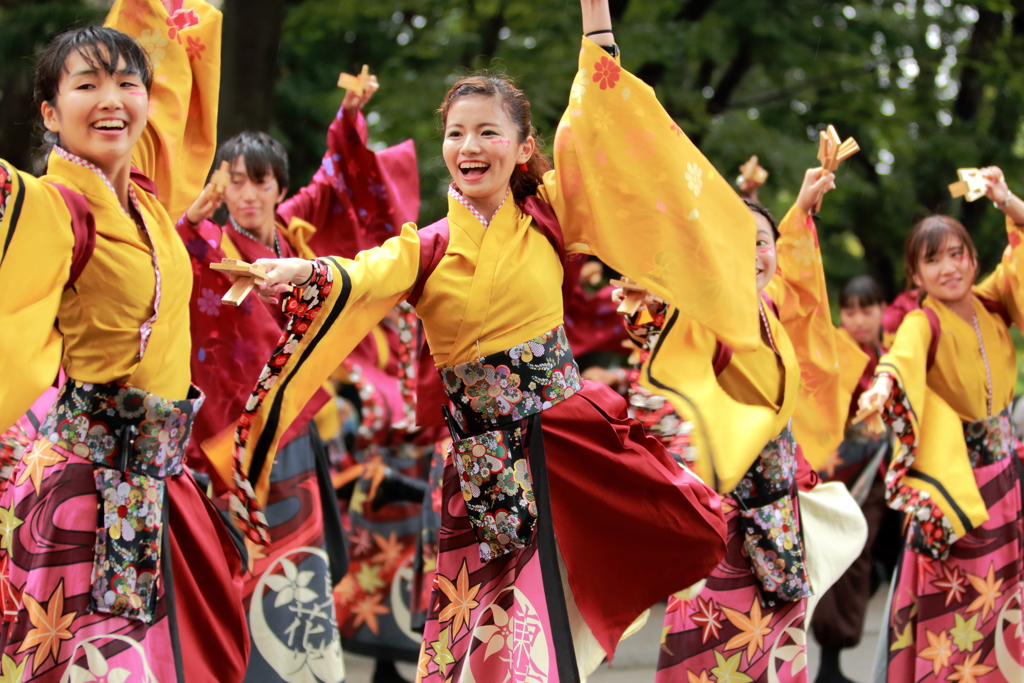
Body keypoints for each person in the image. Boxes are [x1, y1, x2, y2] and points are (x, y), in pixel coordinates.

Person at [223, 0, 769, 679]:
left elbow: (597, 119)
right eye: (456, 134)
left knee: (552, 628)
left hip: (565, 449)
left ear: (522, 146)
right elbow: (362, 274)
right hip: (480, 469)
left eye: (488, 132)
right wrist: (299, 267)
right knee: (474, 632)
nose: (470, 147)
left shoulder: (548, 212)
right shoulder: (429, 247)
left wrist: (596, 16)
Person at [0, 1, 250, 680]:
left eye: (126, 84)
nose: (111, 101)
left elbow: (172, 79)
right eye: (86, 85)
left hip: (161, 485)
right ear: (49, 113)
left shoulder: (145, 197)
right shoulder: (48, 205)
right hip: (84, 490)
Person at [178, 76, 419, 683]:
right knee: (249, 564)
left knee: (303, 566)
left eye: (260, 181)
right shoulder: (205, 245)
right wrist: (186, 230)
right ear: (219, 186)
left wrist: (346, 119)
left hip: (295, 424)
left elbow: (334, 178)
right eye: (234, 180)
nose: (248, 193)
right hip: (235, 435)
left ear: (278, 188)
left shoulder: (293, 233)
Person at [651, 168, 867, 683]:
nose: (752, 253)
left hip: (777, 514)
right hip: (721, 516)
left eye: (761, 242)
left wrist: (802, 207)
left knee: (773, 647)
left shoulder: (769, 305)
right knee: (711, 648)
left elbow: (794, 274)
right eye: (735, 241)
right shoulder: (701, 314)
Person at [858, 167, 1024, 682]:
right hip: (955, 488)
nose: (949, 267)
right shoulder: (920, 321)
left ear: (974, 258)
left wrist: (1004, 199)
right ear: (915, 275)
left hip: (1009, 480)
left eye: (958, 254)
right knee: (960, 610)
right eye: (933, 260)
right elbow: (900, 361)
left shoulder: (995, 302)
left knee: (1007, 608)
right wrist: (882, 386)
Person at [812, 275, 900, 683]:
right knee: (842, 566)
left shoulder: (890, 356)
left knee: (866, 566)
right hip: (838, 478)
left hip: (881, 478)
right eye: (849, 310)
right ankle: (830, 665)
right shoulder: (831, 351)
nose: (858, 318)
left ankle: (836, 663)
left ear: (883, 310)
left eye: (867, 309)